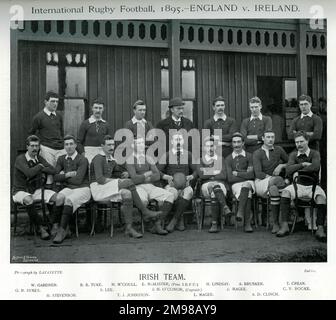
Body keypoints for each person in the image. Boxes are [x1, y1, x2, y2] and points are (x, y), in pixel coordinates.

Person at [90, 135, 161, 238]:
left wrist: (125, 173)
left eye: (113, 144)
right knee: (128, 182)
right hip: (98, 188)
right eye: (108, 145)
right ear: (102, 146)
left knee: (127, 193)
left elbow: (117, 173)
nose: (111, 147)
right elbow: (100, 179)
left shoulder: (111, 159)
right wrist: (120, 181)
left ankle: (129, 228)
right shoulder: (98, 158)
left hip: (108, 187)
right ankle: (145, 211)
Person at [277, 131, 327, 241]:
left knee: (321, 199)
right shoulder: (294, 154)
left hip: (312, 186)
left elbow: (315, 167)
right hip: (297, 185)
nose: (299, 144)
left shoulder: (315, 153)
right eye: (297, 142)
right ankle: (285, 226)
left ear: (307, 141)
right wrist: (303, 164)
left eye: (301, 141)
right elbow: (289, 169)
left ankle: (320, 228)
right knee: (285, 192)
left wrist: (297, 169)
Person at [12, 135, 58, 239]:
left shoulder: (39, 158)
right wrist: (40, 166)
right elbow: (29, 173)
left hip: (36, 190)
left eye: (37, 146)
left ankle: (53, 223)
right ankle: (41, 226)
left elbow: (53, 170)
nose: (35, 148)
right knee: (29, 200)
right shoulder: (21, 159)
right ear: (27, 146)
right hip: (20, 190)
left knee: (58, 197)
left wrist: (41, 167)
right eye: (32, 146)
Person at [126, 137, 174, 235]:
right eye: (138, 143)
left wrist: (144, 177)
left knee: (170, 196)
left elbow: (156, 176)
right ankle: (149, 223)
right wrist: (148, 173)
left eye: (142, 143)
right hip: (138, 187)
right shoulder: (130, 159)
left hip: (150, 186)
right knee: (142, 201)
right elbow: (134, 179)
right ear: (132, 145)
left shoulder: (148, 158)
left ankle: (157, 224)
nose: (141, 145)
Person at [52, 135, 91, 244]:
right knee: (59, 198)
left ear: (75, 145)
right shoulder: (61, 159)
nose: (69, 147)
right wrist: (68, 175)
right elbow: (55, 177)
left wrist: (63, 177)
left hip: (83, 188)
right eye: (66, 144)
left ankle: (62, 231)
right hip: (69, 187)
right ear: (64, 146)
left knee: (68, 200)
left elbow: (78, 180)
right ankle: (59, 226)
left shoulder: (82, 159)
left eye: (71, 144)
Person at [157, 133, 198, 232]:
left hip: (185, 184)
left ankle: (174, 220)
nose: (178, 142)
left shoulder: (188, 154)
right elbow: (157, 170)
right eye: (176, 140)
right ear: (172, 142)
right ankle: (180, 219)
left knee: (188, 192)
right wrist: (165, 176)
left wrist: (191, 176)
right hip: (172, 184)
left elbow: (197, 170)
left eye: (180, 139)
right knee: (173, 193)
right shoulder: (167, 155)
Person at [253, 131, 288, 234]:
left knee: (274, 189)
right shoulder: (257, 153)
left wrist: (281, 166)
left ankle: (276, 223)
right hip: (261, 183)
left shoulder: (279, 150)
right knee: (277, 180)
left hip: (273, 186)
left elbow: (290, 162)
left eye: (272, 137)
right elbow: (258, 173)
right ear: (263, 138)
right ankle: (285, 196)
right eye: (268, 137)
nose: (270, 139)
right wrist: (273, 178)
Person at [196, 137, 231, 233]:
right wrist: (216, 171)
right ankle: (225, 207)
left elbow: (223, 175)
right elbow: (202, 175)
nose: (210, 148)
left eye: (212, 146)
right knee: (212, 186)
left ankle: (214, 224)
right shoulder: (200, 160)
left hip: (221, 184)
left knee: (214, 188)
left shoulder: (221, 159)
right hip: (205, 186)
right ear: (204, 148)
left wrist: (208, 172)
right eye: (207, 146)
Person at [29, 91, 66, 175]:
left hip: (60, 148)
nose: (55, 104)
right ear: (46, 102)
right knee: (50, 172)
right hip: (47, 148)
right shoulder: (38, 117)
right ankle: (49, 186)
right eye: (52, 101)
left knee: (62, 171)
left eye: (57, 101)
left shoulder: (59, 116)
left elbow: (61, 132)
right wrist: (37, 147)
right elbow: (31, 134)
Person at [225, 133, 255, 232]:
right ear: (232, 144)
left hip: (249, 182)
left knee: (247, 186)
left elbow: (251, 175)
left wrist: (237, 173)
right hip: (236, 185)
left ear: (243, 143)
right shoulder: (228, 159)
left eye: (238, 142)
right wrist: (244, 173)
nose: (236, 144)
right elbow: (230, 178)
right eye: (234, 142)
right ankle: (247, 223)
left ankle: (241, 212)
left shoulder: (249, 156)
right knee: (247, 192)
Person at [77, 98, 111, 163]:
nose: (98, 110)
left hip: (102, 153)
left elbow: (108, 142)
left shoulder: (106, 124)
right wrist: (83, 154)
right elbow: (78, 142)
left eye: (100, 108)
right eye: (96, 108)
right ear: (92, 108)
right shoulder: (85, 123)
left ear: (103, 109)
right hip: (88, 153)